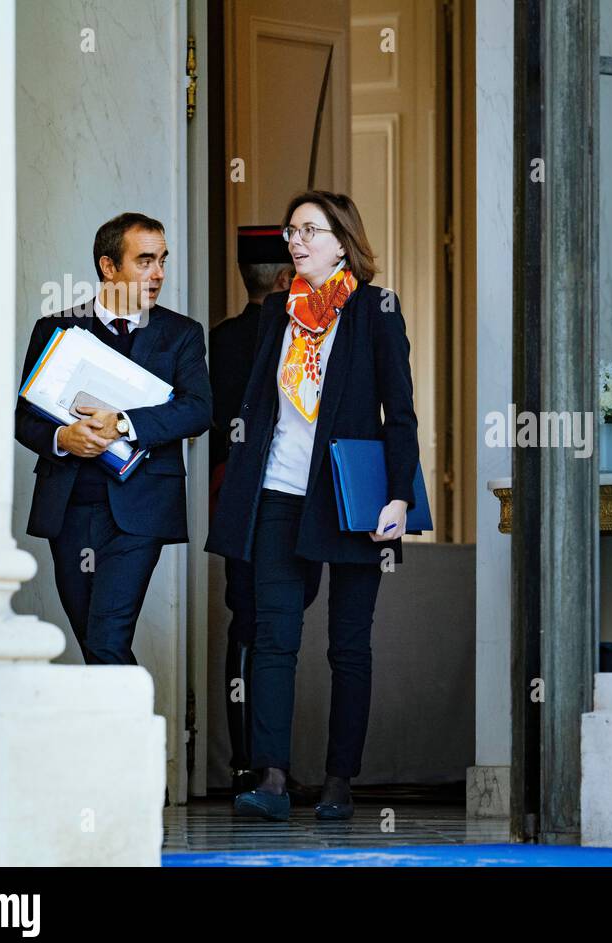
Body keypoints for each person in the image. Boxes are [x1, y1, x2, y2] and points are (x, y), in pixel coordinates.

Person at [206, 190, 420, 822]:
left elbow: (400, 413)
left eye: (307, 231)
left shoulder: (376, 309)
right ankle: (271, 775)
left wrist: (400, 494)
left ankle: (338, 778)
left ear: (341, 240)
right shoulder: (277, 312)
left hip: (350, 495)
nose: (294, 242)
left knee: (348, 643)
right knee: (273, 634)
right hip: (277, 491)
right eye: (291, 232)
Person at [16, 212, 212, 671]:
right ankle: (133, 735)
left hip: (139, 510)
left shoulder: (182, 333)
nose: (159, 273)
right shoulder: (56, 328)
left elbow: (199, 410)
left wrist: (124, 422)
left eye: (162, 260)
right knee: (92, 638)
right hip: (69, 510)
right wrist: (63, 437)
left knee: (107, 635)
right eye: (145, 261)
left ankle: (135, 741)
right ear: (108, 266)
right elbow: (23, 418)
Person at [209, 225, 315, 800]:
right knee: (268, 625)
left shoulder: (221, 339)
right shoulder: (289, 333)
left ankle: (249, 763)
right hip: (264, 497)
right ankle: (258, 764)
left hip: (232, 499)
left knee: (246, 622)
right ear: (281, 279)